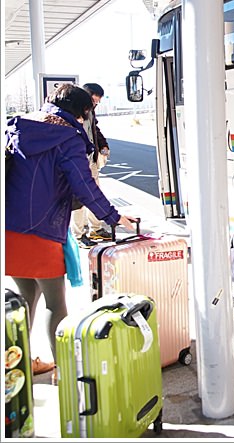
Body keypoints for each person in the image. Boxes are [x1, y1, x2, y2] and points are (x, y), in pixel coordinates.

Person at [5, 83, 136, 375]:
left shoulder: (18, 126)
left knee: (25, 297)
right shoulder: (66, 137)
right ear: (82, 112)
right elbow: (84, 185)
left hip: (8, 228)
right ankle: (65, 375)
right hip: (40, 229)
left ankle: (18, 367)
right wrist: (114, 217)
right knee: (56, 303)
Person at [69, 82, 111, 246]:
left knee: (95, 195)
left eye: (97, 102)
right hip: (77, 164)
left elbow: (95, 130)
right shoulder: (71, 112)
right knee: (79, 200)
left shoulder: (90, 112)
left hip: (91, 160)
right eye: (94, 101)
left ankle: (96, 229)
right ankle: (78, 235)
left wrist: (103, 145)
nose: (95, 105)